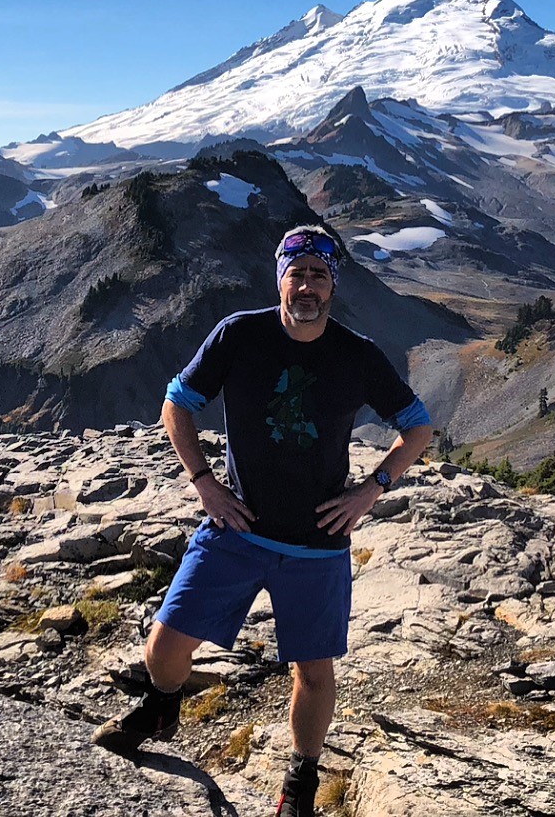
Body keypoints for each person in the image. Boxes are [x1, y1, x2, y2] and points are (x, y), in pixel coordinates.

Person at [92, 225, 433, 817]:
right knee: (165, 647)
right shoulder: (239, 335)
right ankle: (162, 704)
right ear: (280, 279)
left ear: (333, 287)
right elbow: (177, 405)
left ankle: (300, 780)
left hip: (318, 542)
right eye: (296, 273)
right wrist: (204, 483)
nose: (306, 286)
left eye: (318, 275)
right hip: (237, 530)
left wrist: (370, 490)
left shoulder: (357, 355)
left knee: (314, 670)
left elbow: (418, 429)